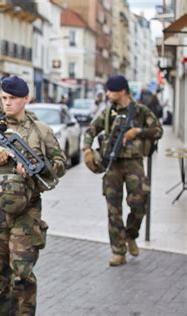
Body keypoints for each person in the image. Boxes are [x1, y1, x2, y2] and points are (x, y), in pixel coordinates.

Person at [0, 75, 66, 315]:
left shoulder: (41, 131)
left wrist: (39, 164)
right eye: (4, 98)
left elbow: (60, 164)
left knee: (22, 274)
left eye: (13, 98)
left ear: (26, 99)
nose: (7, 103)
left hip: (26, 213)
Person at [83, 75, 163, 266]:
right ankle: (118, 251)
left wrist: (138, 132)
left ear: (122, 91)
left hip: (134, 163)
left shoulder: (140, 111)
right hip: (112, 164)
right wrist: (87, 149)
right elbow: (91, 129)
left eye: (110, 90)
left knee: (139, 203)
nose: (108, 94)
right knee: (113, 209)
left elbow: (158, 131)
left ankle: (130, 234)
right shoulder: (108, 112)